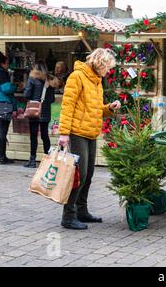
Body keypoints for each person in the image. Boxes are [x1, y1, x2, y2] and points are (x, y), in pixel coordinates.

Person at [58, 48, 121, 230]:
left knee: (89, 175)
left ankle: (82, 211)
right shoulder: (77, 77)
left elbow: (95, 108)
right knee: (79, 175)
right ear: (99, 63)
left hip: (91, 132)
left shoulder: (96, 81)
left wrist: (109, 107)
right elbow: (67, 106)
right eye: (107, 67)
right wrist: (64, 133)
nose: (108, 71)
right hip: (77, 133)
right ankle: (68, 216)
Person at [23, 60, 60, 168]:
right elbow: (52, 99)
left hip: (34, 111)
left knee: (33, 136)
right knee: (45, 136)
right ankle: (47, 160)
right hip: (46, 112)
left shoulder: (32, 79)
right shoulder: (51, 81)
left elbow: (27, 94)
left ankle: (32, 160)